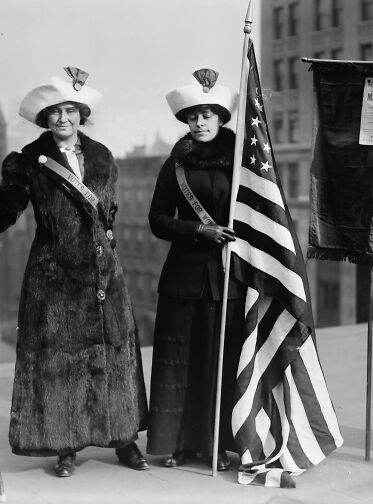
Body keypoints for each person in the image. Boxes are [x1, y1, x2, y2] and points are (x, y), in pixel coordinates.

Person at [0, 69, 149, 477]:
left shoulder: (103, 156)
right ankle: (64, 444)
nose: (63, 118)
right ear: (44, 117)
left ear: (81, 114)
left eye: (70, 110)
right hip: (54, 279)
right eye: (55, 112)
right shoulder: (26, 162)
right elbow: (0, 216)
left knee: (115, 356)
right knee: (60, 362)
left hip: (105, 277)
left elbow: (109, 216)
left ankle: (125, 439)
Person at [147, 68, 245, 471]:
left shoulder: (243, 163)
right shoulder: (176, 166)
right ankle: (174, 444)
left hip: (228, 278)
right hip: (183, 278)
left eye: (207, 114)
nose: (200, 122)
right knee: (179, 360)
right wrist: (197, 230)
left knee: (218, 363)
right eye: (192, 116)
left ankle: (216, 444)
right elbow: (157, 220)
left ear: (221, 118)